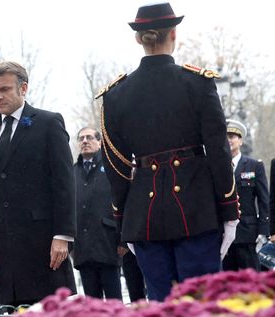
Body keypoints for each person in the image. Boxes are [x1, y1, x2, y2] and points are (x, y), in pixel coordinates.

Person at [99, 2, 239, 301]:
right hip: (197, 210)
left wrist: (124, 219)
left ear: (138, 38)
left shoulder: (116, 95)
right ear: (173, 34)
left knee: (161, 307)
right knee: (202, 306)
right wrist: (229, 210)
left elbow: (116, 167)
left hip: (144, 215)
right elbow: (218, 152)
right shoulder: (197, 83)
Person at [0, 61, 76, 306]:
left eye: (5, 89)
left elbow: (64, 183)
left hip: (44, 244)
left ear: (23, 88)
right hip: (4, 248)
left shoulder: (48, 123)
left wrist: (63, 235)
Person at [72, 128, 122, 300]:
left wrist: (123, 239)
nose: (85, 141)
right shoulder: (72, 172)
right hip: (82, 249)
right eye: (81, 138)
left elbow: (121, 201)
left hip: (108, 243)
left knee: (114, 304)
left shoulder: (111, 167)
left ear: (100, 142)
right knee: (92, 306)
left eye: (89, 137)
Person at [222, 120, 268, 271]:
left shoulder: (254, 166)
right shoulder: (216, 167)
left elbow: (263, 200)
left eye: (232, 136)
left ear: (240, 141)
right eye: (226, 136)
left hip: (248, 234)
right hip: (222, 235)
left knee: (252, 282)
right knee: (224, 284)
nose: (229, 140)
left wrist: (264, 231)